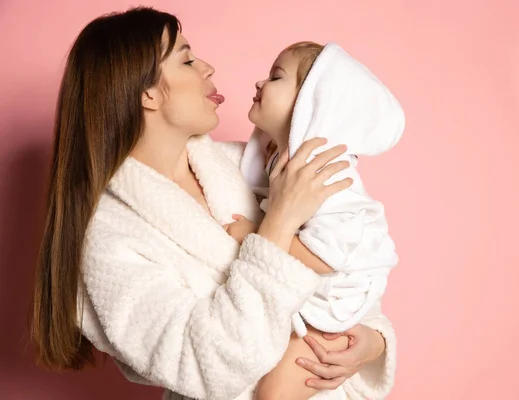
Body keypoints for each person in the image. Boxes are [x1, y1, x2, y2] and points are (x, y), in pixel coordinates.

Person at [31, 7, 397, 400]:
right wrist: (277, 224)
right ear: (147, 92)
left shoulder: (252, 168)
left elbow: (351, 268)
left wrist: (371, 341)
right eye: (187, 59)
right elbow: (206, 365)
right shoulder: (109, 238)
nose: (208, 68)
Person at [224, 41, 404, 400]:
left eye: (276, 77)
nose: (260, 83)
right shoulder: (277, 160)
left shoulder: (325, 171)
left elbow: (326, 256)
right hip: (307, 297)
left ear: (313, 104)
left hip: (335, 302)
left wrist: (254, 235)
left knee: (274, 394)